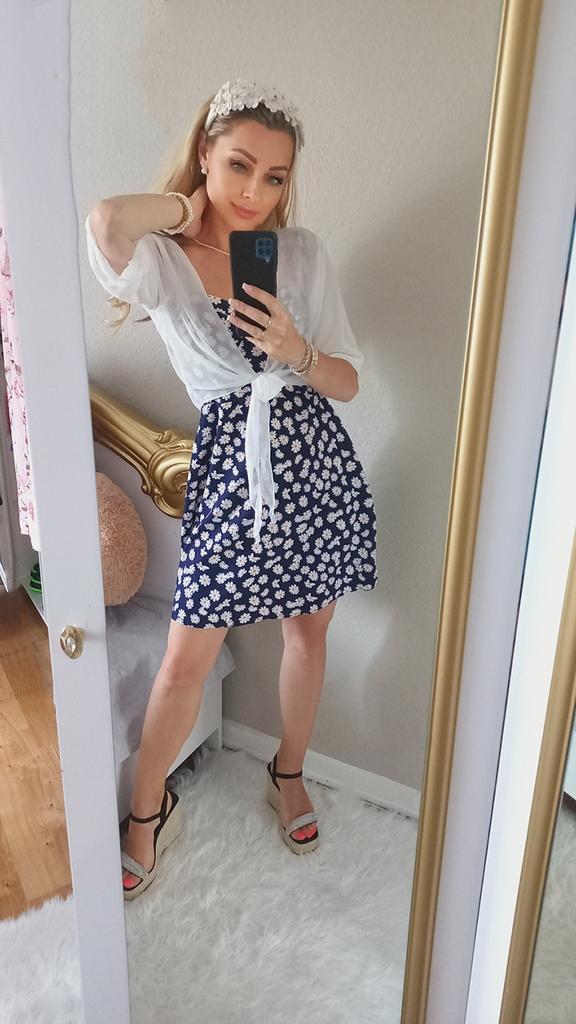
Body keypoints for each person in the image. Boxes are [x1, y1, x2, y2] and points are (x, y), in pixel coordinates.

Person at [85, 79, 378, 898]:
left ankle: (289, 771)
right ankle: (148, 813)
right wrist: (187, 208)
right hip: (229, 470)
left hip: (312, 459)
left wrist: (296, 350)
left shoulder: (301, 255)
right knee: (187, 656)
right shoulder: (163, 260)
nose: (255, 192)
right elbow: (106, 222)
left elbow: (349, 382)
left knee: (308, 633)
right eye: (239, 166)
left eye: (275, 177)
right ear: (205, 155)